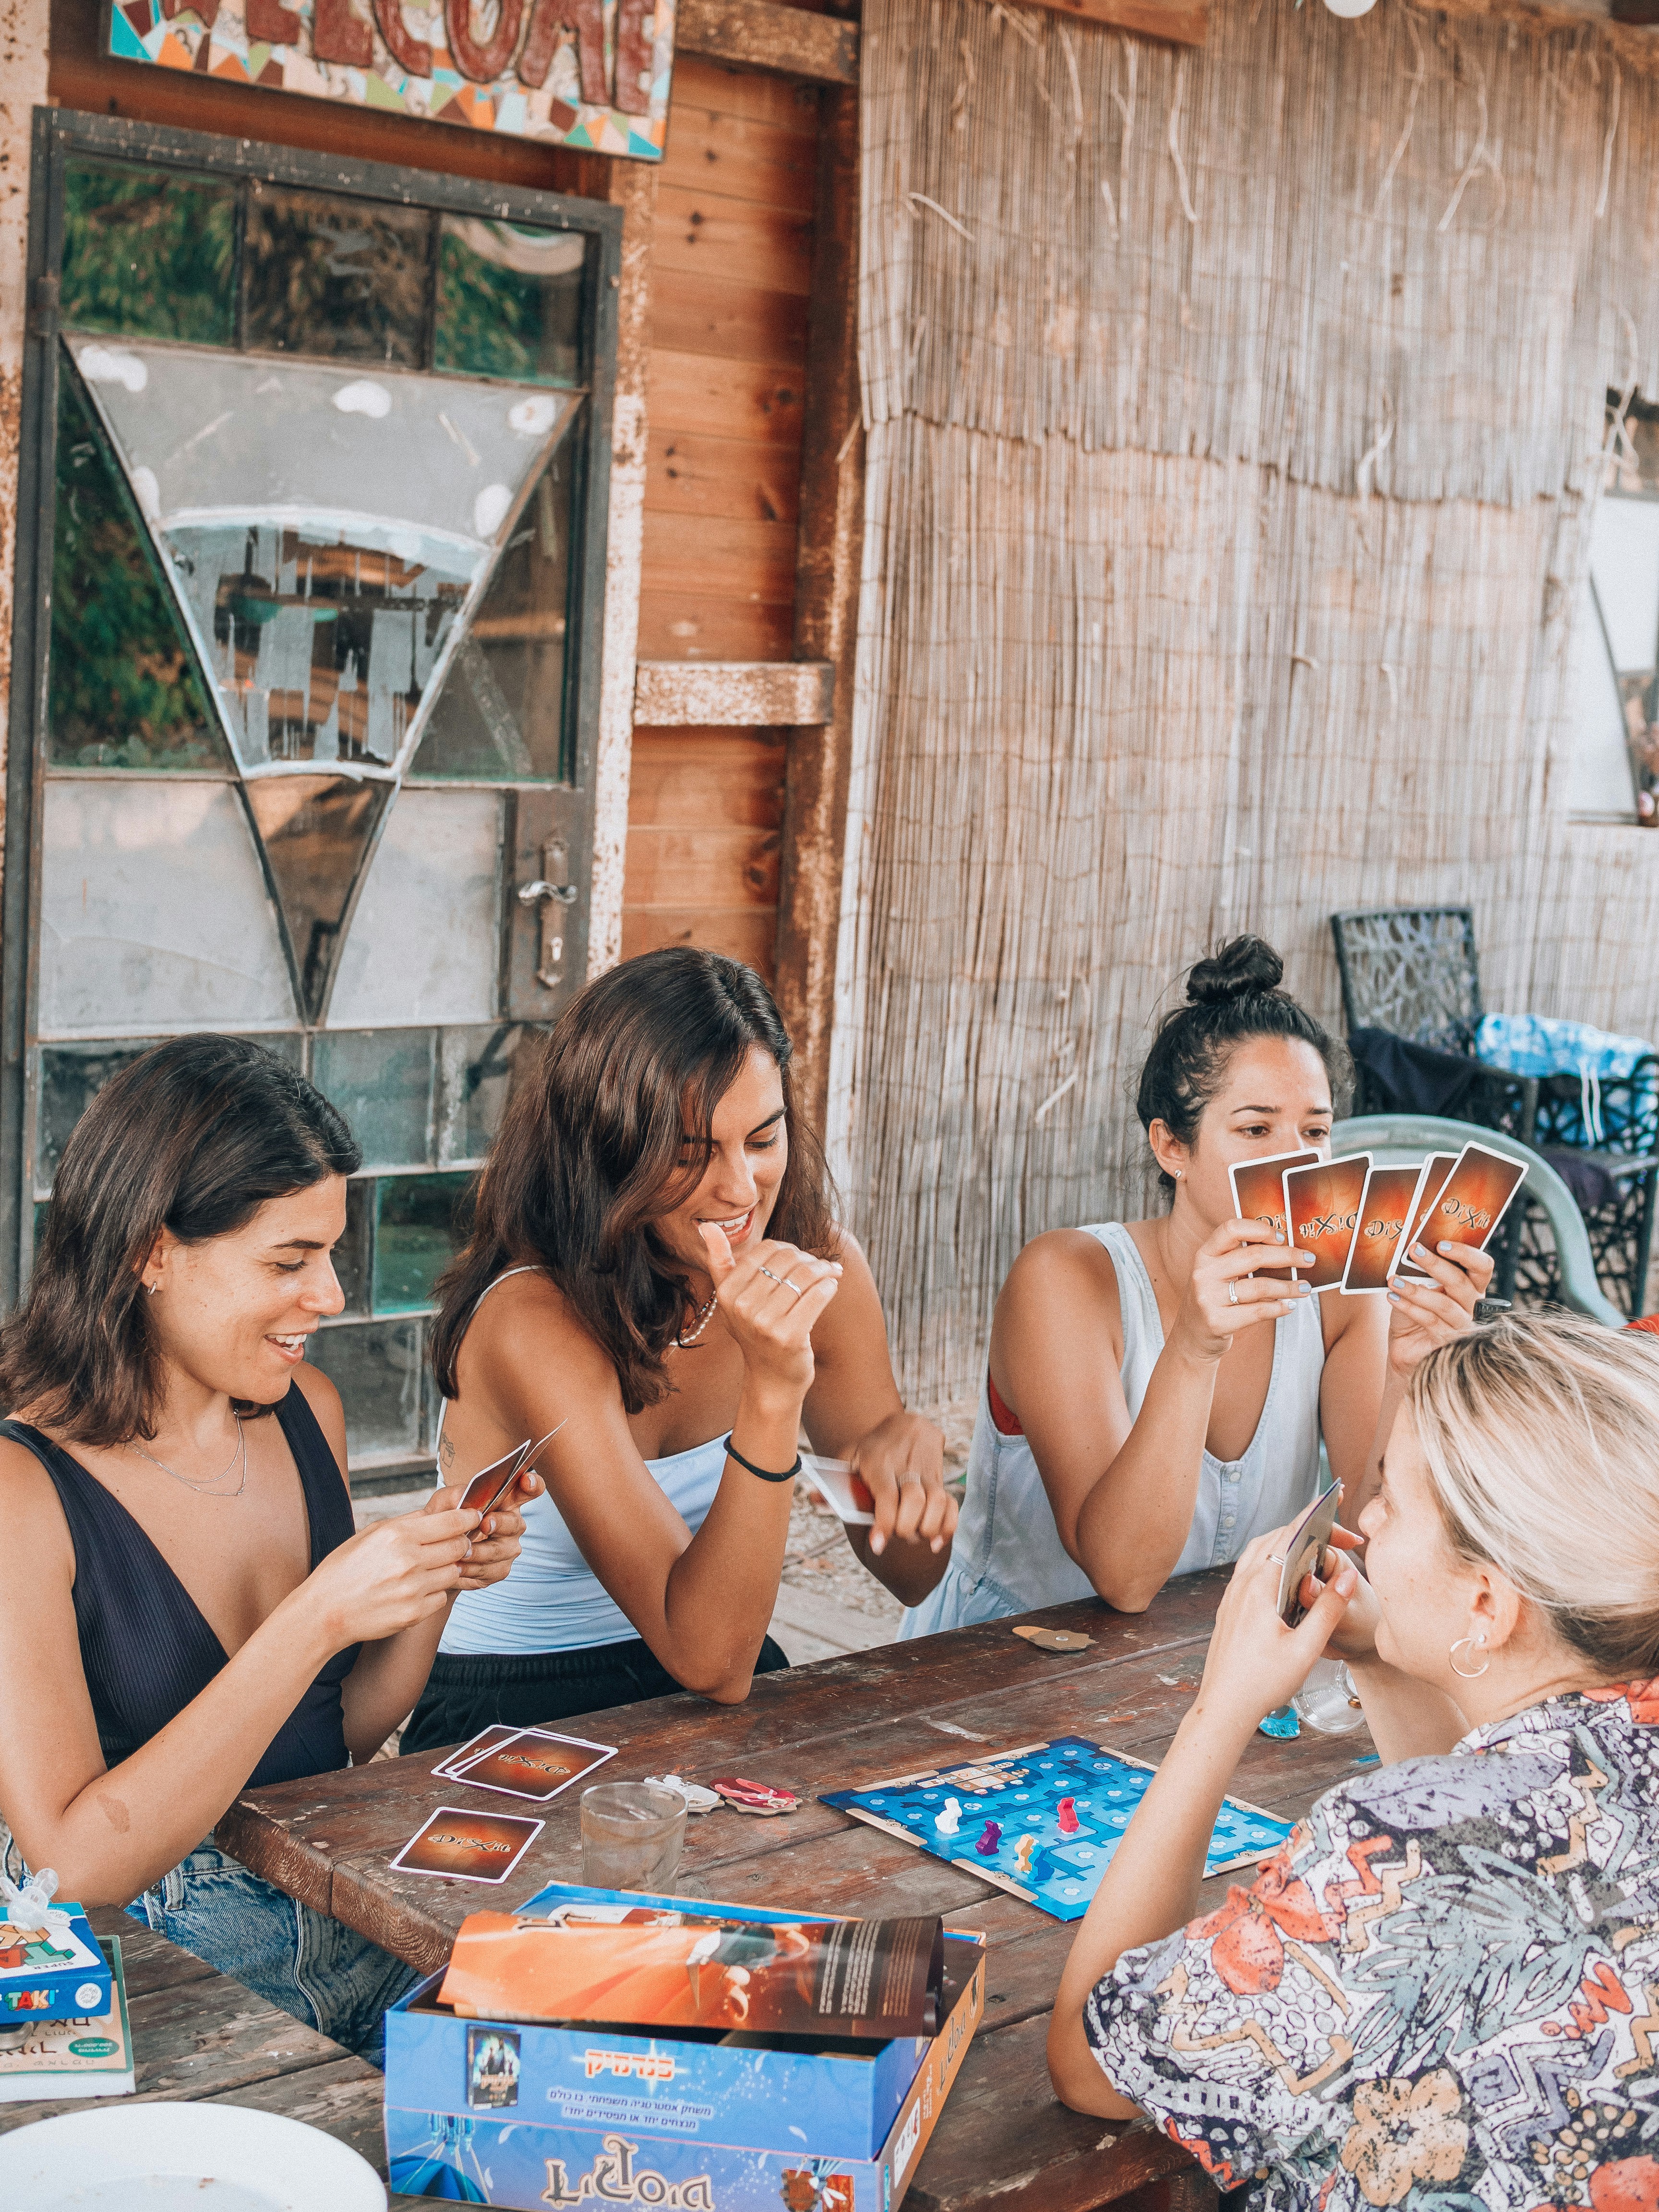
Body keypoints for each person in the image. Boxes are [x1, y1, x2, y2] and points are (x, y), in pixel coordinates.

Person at [1047, 1313, 1659, 2212]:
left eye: (1394, 1499)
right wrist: (1385, 1654)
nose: (1366, 1519)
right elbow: (1510, 1832)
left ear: (1487, 1602)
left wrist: (1222, 1707)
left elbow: (1093, 2061)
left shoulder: (1382, 1860)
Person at [0, 1037, 536, 2059]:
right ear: (149, 1253)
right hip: (153, 1989)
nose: (330, 1296)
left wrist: (435, 1579)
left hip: (345, 1927)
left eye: (329, 1254)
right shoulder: (22, 1486)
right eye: (288, 1261)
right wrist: (316, 1616)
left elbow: (340, 1730)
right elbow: (69, 1864)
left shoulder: (306, 1415)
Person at [401, 947, 956, 1754]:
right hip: (518, 1699)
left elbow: (913, 1578)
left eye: (762, 1140)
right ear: (608, 1150)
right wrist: (773, 1392)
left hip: (711, 1689)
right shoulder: (534, 1316)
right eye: (691, 1153)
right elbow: (710, 1660)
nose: (739, 1189)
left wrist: (904, 1479)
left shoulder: (820, 1268)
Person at [903, 936, 1490, 1635]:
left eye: (1316, 1130)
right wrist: (1194, 1347)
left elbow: (1372, 1537)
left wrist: (1410, 1369)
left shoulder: (1339, 1296)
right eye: (1254, 1128)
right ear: (1171, 1147)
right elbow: (1123, 1576)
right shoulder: (1065, 1281)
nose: (1295, 1160)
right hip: (1005, 1666)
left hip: (1216, 1668)